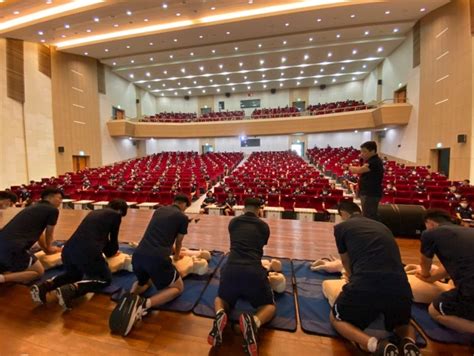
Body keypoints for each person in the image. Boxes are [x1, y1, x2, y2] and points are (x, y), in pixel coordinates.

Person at [330, 201, 419, 356]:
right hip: (400, 285)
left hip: (366, 284)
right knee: (402, 322)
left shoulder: (341, 228)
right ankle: (408, 342)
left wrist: (350, 279)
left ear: (343, 214)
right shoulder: (383, 226)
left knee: (336, 318)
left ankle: (374, 345)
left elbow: (346, 262)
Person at [109, 194, 191, 337]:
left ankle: (131, 296)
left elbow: (162, 233)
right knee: (178, 288)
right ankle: (144, 304)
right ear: (183, 204)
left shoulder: (159, 210)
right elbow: (178, 241)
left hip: (138, 255)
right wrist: (177, 256)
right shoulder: (182, 217)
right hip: (157, 259)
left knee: (144, 282)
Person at [30, 199, 128, 308]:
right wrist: (113, 252)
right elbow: (113, 240)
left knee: (74, 275)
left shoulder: (95, 213)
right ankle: (71, 289)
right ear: (120, 210)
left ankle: (44, 287)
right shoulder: (116, 215)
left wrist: (108, 250)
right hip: (87, 252)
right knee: (105, 279)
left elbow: (101, 238)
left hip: (68, 250)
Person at [208, 198, 275, 355]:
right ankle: (254, 322)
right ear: (259, 209)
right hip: (253, 271)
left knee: (221, 298)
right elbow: (260, 245)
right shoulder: (264, 226)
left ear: (244, 208)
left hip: (230, 269)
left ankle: (220, 314)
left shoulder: (233, 223)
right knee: (269, 306)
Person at [416, 209, 474, 334]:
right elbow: (447, 268)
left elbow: (424, 263)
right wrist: (432, 279)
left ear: (430, 223)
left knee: (434, 311)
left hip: (470, 291)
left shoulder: (429, 233)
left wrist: (424, 276)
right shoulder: (469, 231)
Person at [0, 187, 62, 284]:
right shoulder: (53, 210)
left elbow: (39, 233)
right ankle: (2, 278)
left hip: (3, 244)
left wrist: (46, 249)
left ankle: (8, 270)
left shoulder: (33, 206)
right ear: (50, 197)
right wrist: (49, 248)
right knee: (39, 272)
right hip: (15, 248)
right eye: (59, 198)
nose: (60, 201)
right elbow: (49, 234)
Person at [349, 141, 384, 220]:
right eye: (361, 151)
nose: (361, 154)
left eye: (364, 151)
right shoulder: (369, 161)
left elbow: (359, 170)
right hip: (367, 193)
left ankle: (369, 232)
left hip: (370, 194)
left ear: (373, 151)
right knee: (366, 215)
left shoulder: (374, 161)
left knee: (369, 217)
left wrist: (349, 167)